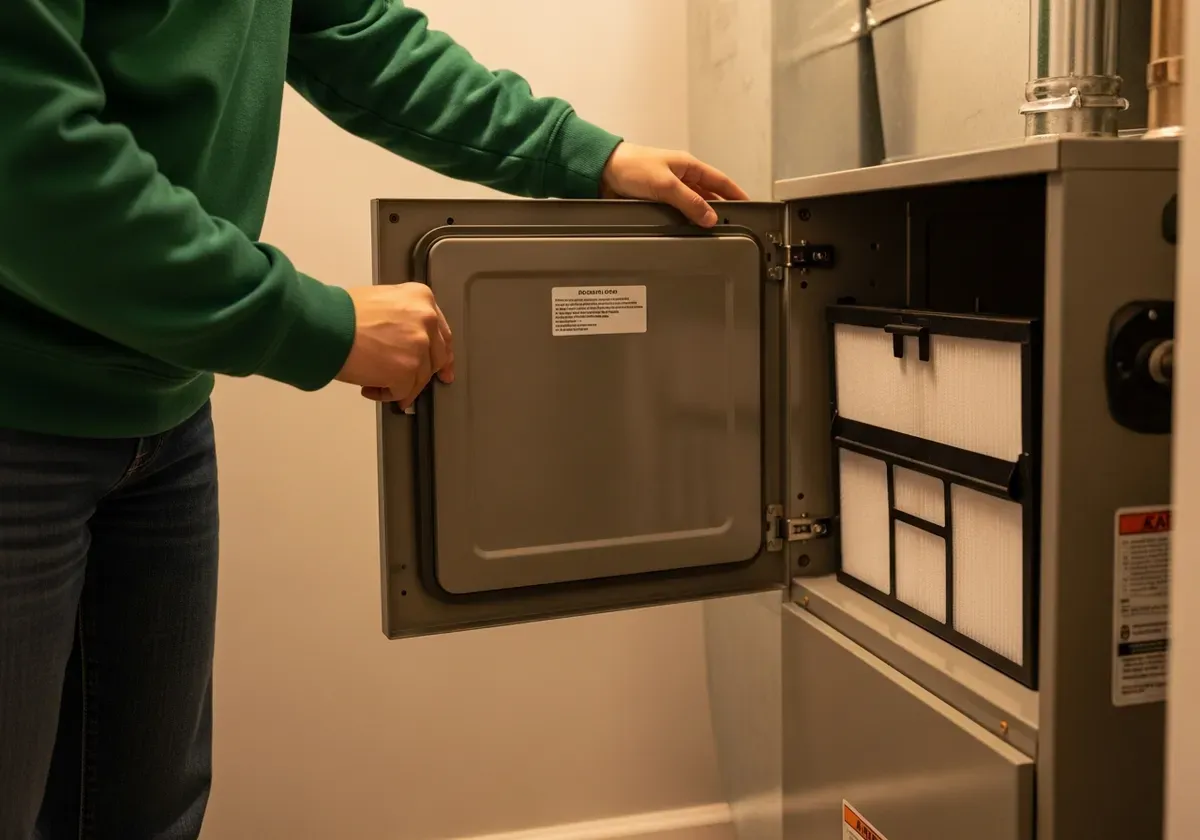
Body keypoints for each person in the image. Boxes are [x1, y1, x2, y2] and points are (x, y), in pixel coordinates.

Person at [0, 0, 749, 837]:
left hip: (164, 414)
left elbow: (356, 34)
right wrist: (316, 324)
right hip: (19, 417)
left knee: (144, 813)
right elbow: (29, 159)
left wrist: (586, 156)